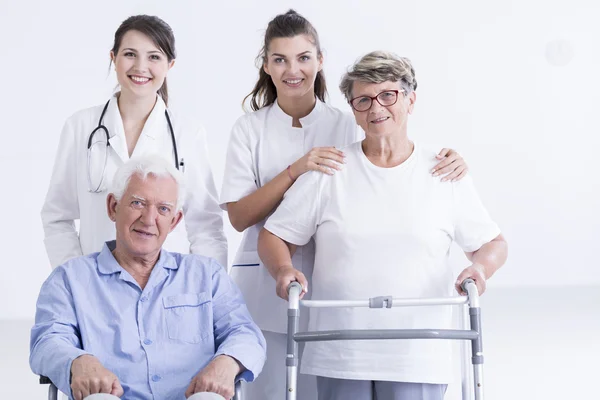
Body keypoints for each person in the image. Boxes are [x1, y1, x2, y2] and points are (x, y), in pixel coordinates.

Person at [220, 10, 470, 400]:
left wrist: (446, 162)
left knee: (319, 384)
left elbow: (389, 145)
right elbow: (238, 216)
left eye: (304, 57)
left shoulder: (347, 119)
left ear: (320, 61)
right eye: (280, 59)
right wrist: (296, 170)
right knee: (272, 390)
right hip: (267, 283)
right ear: (265, 65)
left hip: (335, 292)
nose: (293, 70)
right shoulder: (248, 129)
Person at [258, 51, 508, 400]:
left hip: (419, 353)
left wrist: (479, 269)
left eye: (388, 95)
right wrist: (284, 270)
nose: (376, 108)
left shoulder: (444, 172)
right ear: (354, 110)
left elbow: (493, 243)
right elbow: (274, 236)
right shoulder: (331, 171)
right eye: (363, 100)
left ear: (410, 100)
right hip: (340, 352)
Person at [30, 155, 266, 400]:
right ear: (113, 207)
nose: (149, 219)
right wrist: (77, 360)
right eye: (138, 203)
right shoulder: (69, 280)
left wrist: (227, 362)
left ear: (174, 221)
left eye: (163, 209)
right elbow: (47, 341)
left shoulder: (207, 276)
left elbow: (245, 333)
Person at [41, 15, 226, 269]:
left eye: (154, 57)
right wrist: (77, 279)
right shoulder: (81, 127)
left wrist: (205, 289)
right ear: (113, 57)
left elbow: (206, 226)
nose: (140, 67)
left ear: (170, 65)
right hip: (96, 287)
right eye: (130, 54)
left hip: (167, 289)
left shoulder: (188, 133)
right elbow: (57, 217)